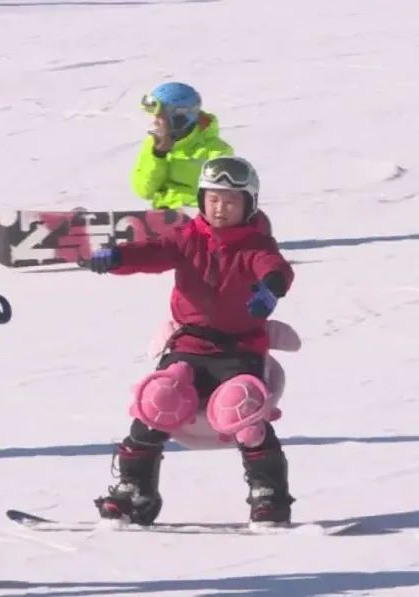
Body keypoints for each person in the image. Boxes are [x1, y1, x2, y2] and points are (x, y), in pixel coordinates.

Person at [86, 156, 296, 525]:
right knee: (157, 399)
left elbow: (275, 268)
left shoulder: (256, 244)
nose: (220, 208)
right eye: (213, 199)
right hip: (188, 345)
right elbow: (152, 253)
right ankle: (135, 491)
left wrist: (271, 289)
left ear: (249, 205)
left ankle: (269, 496)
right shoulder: (186, 237)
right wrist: (118, 256)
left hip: (239, 349)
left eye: (231, 201)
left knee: (243, 408)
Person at [131, 81, 234, 210]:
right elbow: (144, 191)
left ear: (180, 118)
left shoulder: (217, 152)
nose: (155, 121)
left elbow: (220, 200)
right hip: (162, 219)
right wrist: (159, 155)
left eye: (160, 116)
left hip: (199, 220)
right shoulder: (153, 145)